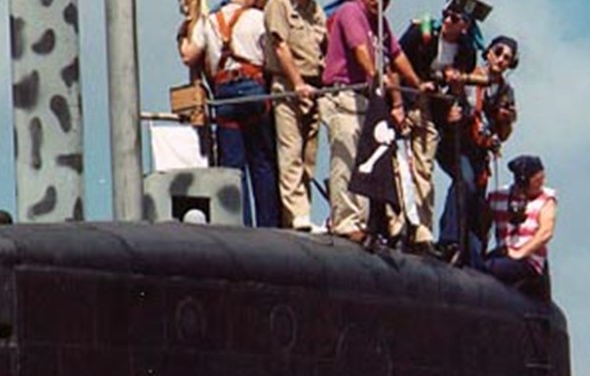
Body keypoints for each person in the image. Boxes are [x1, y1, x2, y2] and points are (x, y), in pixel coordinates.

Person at [321, 0, 426, 242]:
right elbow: (359, 48)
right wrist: (374, 76)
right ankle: (345, 222)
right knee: (345, 157)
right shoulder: (351, 11)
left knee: (364, 160)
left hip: (366, 100)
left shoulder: (380, 23)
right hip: (345, 94)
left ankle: (361, 221)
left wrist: (417, 85)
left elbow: (396, 56)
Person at [180, 0, 280, 228]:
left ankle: (238, 226)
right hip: (253, 88)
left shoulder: (211, 21)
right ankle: (269, 226)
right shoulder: (257, 18)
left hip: (225, 93)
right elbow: (270, 57)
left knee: (233, 167)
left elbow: (189, 56)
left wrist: (184, 30)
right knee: (262, 162)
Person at [394, 1, 479, 255]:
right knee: (402, 165)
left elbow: (459, 89)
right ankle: (399, 225)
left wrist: (455, 92)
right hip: (410, 102)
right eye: (448, 16)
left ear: (465, 25)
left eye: (457, 18)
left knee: (424, 168)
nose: (450, 21)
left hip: (432, 111)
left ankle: (422, 228)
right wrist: (400, 103)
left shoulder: (465, 51)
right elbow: (395, 63)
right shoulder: (421, 33)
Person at [436, 34, 518, 268]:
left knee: (478, 202)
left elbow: (503, 134)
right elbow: (448, 100)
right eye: (499, 53)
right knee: (465, 183)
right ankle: (449, 240)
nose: (501, 60)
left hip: (479, 153)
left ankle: (472, 253)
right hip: (457, 143)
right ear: (489, 52)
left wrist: (504, 121)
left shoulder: (504, 92)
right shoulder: (472, 76)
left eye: (507, 58)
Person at [263, 0, 327, 231]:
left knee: (309, 155)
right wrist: (297, 83)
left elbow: (323, 46)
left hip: (315, 86)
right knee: (291, 151)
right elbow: (280, 46)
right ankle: (296, 213)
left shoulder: (315, 10)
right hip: (288, 85)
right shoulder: (278, 5)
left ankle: (303, 210)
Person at [484, 154, 556, 293]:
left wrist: (521, 252)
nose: (542, 183)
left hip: (528, 260)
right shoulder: (498, 197)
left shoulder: (546, 199)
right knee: (478, 265)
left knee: (489, 268)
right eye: (538, 180)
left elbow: (546, 232)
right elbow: (483, 224)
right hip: (504, 253)